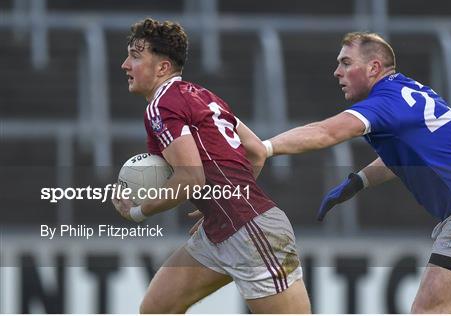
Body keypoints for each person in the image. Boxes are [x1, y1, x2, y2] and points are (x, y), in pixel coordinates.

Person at [262, 32, 451, 313]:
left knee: (426, 312)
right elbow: (405, 154)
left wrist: (265, 148)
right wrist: (359, 181)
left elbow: (325, 132)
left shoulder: (386, 102)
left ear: (373, 68)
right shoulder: (407, 91)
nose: (337, 72)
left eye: (346, 62)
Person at [112, 18, 310, 314]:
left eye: (136, 56)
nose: (126, 64)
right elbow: (255, 150)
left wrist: (139, 211)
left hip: (252, 233)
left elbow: (191, 178)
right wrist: (221, 205)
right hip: (219, 230)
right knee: (156, 308)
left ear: (163, 68)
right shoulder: (202, 96)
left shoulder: (161, 106)